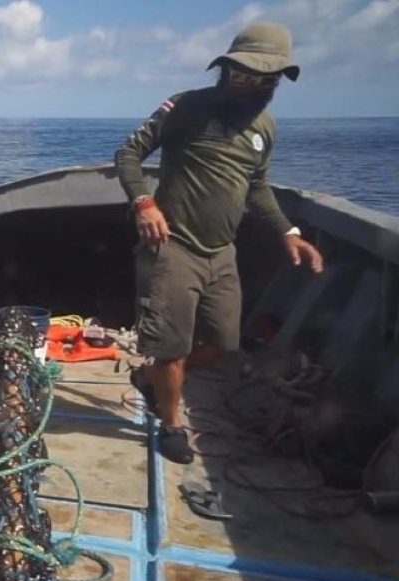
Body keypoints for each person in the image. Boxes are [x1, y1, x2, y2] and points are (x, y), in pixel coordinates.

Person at [114, 22, 324, 464]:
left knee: (225, 345)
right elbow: (129, 154)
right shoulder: (186, 107)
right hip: (173, 247)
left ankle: (152, 378)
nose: (252, 87)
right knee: (171, 346)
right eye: (244, 75)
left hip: (222, 253)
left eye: (265, 80)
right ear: (225, 70)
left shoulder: (265, 128)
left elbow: (258, 186)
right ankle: (171, 423)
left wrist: (288, 232)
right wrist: (144, 203)